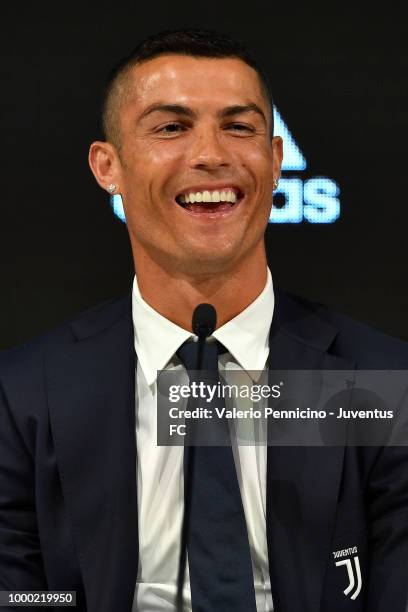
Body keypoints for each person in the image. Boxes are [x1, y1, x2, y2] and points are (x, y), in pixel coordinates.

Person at [1, 28, 408, 612]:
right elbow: (21, 594)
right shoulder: (22, 395)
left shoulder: (382, 381)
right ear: (106, 166)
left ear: (274, 161)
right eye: (171, 127)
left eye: (239, 127)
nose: (211, 154)